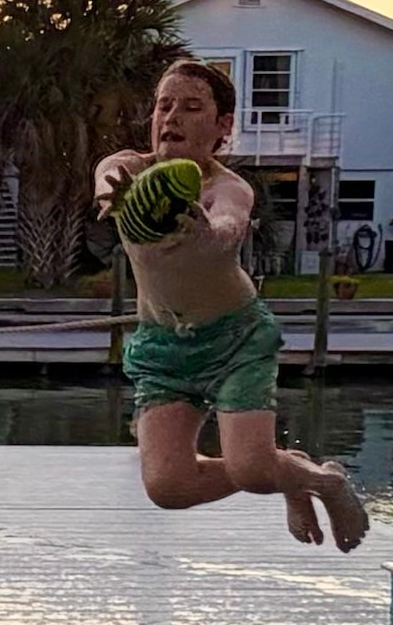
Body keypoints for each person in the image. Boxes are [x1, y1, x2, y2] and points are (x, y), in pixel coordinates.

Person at [95, 59, 372, 547]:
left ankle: (317, 482)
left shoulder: (228, 186)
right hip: (162, 346)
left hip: (235, 339)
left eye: (191, 107)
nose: (172, 117)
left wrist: (208, 229)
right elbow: (107, 178)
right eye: (164, 106)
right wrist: (116, 193)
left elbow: (228, 227)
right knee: (168, 486)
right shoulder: (127, 171)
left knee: (252, 469)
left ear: (223, 125)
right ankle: (300, 474)